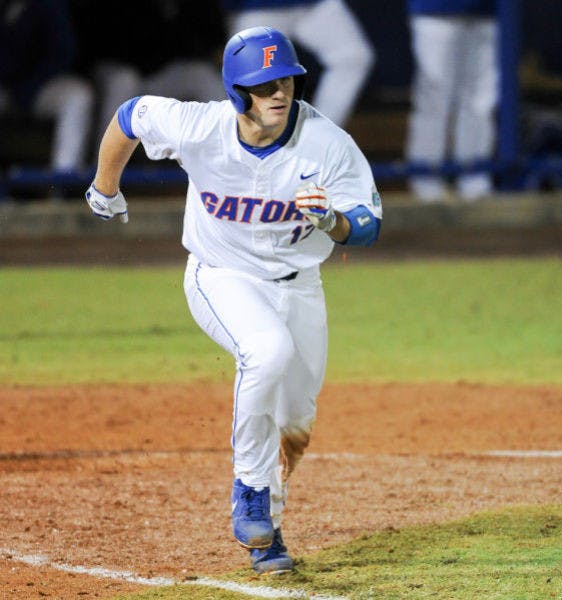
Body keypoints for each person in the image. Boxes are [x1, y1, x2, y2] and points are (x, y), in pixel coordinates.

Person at [84, 26, 382, 574]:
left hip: (298, 285)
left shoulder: (326, 143)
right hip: (220, 275)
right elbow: (130, 115)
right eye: (263, 82)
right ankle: (249, 491)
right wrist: (105, 186)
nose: (279, 92)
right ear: (236, 90)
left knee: (295, 423)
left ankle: (268, 531)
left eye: (286, 80)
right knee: (266, 351)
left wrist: (333, 221)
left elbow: (367, 224)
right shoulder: (201, 127)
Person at [70, 0, 227, 147]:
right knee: (125, 81)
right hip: (115, 69)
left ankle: (224, 158)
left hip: (159, 71)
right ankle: (104, 167)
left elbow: (209, 34)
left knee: (203, 77)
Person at [223, 0, 375, 128]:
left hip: (313, 5)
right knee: (247, 77)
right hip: (257, 7)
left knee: (352, 57)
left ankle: (318, 140)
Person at [406, 0, 498, 202]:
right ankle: (426, 185)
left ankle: (475, 182)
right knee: (434, 98)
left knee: (480, 100)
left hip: (488, 11)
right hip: (435, 9)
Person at [0, 0, 93, 173]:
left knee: (78, 96)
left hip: (36, 87)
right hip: (7, 87)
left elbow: (63, 52)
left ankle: (61, 183)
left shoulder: (49, 5)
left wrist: (27, 88)